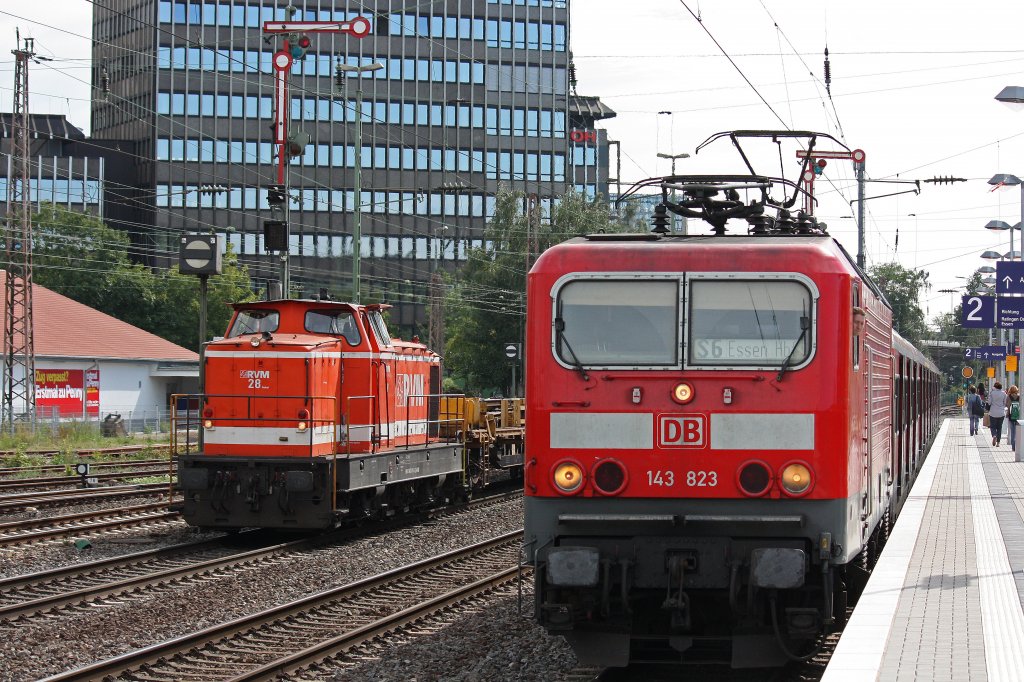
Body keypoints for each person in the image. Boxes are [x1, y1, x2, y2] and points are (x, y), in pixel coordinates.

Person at [989, 381, 1008, 446]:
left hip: (993, 412)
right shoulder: (1004, 394)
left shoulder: (992, 393)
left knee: (993, 426)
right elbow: (1005, 403)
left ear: (995, 387)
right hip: (1001, 413)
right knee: (999, 428)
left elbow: (989, 402)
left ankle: (994, 435)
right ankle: (998, 443)